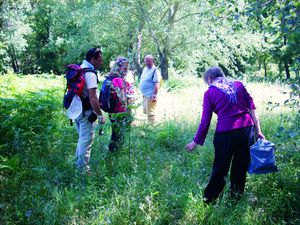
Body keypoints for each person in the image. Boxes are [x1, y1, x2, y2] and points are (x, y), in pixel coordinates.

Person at [185, 66, 265, 203]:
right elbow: (252, 108)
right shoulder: (239, 85)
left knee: (221, 167)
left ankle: (210, 199)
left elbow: (205, 121)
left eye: (207, 82)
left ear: (210, 78)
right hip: (247, 129)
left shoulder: (209, 92)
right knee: (240, 166)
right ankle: (235, 197)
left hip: (226, 133)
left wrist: (195, 142)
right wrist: (258, 131)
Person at [75, 47, 106, 175]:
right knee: (86, 141)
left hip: (76, 110)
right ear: (92, 59)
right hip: (87, 112)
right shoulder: (90, 73)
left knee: (82, 139)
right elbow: (93, 97)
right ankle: (82, 171)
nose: (101, 63)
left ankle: (77, 165)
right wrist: (100, 114)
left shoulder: (80, 68)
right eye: (99, 60)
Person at [107, 57, 133, 152]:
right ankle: (115, 153)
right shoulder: (118, 80)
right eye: (125, 68)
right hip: (118, 112)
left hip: (113, 111)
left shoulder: (112, 77)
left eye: (127, 68)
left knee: (116, 133)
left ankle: (113, 153)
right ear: (118, 68)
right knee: (118, 134)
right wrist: (129, 97)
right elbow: (122, 99)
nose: (127, 71)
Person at [139, 55, 161, 124]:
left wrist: (154, 95)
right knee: (146, 111)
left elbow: (157, 84)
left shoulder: (155, 71)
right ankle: (149, 126)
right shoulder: (145, 69)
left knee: (151, 113)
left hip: (150, 95)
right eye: (146, 61)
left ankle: (152, 128)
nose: (148, 63)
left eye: (149, 61)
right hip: (145, 94)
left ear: (153, 61)